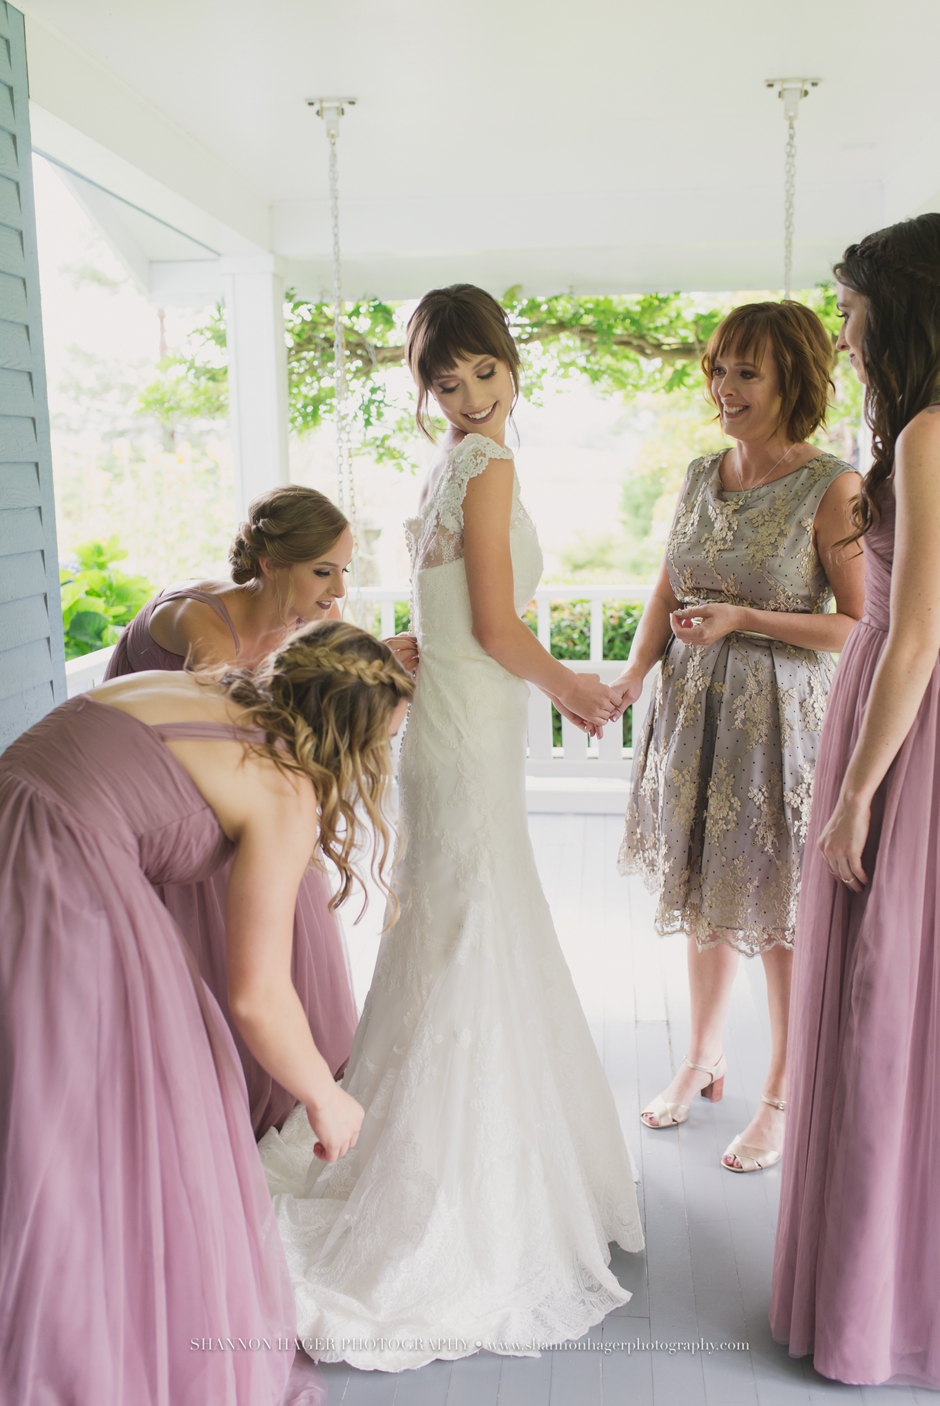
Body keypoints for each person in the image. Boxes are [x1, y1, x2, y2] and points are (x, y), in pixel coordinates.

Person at [259, 283, 644, 1372]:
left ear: (509, 362)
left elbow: (446, 617)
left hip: (452, 726)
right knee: (474, 918)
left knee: (461, 919)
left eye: (483, 370)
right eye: (447, 378)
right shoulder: (484, 465)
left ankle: (432, 1144)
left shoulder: (440, 471)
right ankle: (461, 1186)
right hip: (470, 727)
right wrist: (574, 686)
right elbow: (492, 623)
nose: (471, 394)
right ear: (425, 387)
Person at [0, 621, 413, 1405]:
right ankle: (77, 1339)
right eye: (385, 741)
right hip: (62, 868)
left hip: (8, 809)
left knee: (28, 1089)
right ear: (349, 739)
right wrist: (327, 1099)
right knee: (134, 1112)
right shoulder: (283, 787)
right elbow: (256, 995)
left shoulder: (213, 687)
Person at [611, 301, 865, 1172]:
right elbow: (665, 583)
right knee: (703, 895)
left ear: (794, 377)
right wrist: (636, 673)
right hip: (693, 713)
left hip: (780, 728)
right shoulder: (697, 473)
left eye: (745, 372)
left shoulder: (833, 485)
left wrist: (748, 618)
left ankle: (783, 1094)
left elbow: (860, 627)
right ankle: (702, 1059)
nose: (723, 388)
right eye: (718, 368)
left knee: (780, 913)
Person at [105, 485, 418, 1137]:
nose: (336, 591)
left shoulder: (299, 622)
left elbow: (305, 695)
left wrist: (367, 666)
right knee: (234, 952)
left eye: (343, 571)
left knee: (295, 902)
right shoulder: (196, 620)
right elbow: (242, 722)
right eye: (322, 571)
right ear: (274, 565)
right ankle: (233, 1098)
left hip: (247, 791)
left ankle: (306, 1087)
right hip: (182, 813)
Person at [771, 214, 940, 1386]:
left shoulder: (928, 433)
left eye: (854, 310)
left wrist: (855, 798)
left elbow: (915, 633)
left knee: (889, 996)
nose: (845, 332)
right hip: (898, 719)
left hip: (903, 732)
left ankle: (874, 1301)